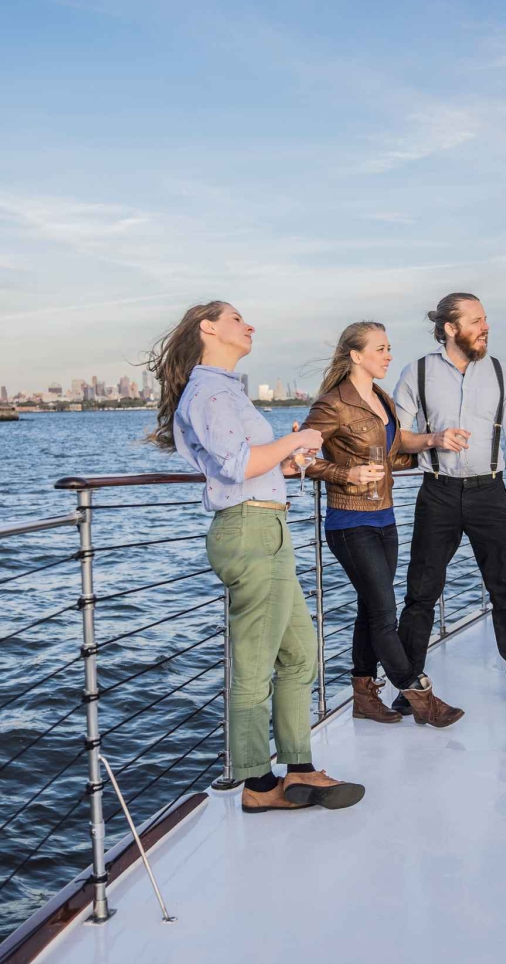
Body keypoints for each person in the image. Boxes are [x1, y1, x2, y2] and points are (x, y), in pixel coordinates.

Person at [148, 301, 365, 813]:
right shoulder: (210, 392)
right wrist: (300, 437)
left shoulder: (225, 389)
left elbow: (247, 465)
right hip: (250, 530)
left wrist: (289, 461)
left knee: (299, 653)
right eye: (236, 318)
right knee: (254, 664)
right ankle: (258, 784)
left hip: (268, 525)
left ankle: (299, 768)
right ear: (208, 328)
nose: (249, 326)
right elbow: (236, 465)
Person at [302, 322, 467, 727]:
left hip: (385, 518)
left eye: (389, 347)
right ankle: (419, 694)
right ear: (356, 355)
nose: (389, 355)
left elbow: (392, 454)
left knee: (369, 608)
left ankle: (364, 696)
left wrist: (434, 444)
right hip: (349, 521)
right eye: (381, 349)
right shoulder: (332, 404)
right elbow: (301, 457)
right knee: (383, 613)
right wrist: (347, 473)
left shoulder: (382, 399)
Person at [391, 293, 506, 708]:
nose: (486, 327)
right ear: (450, 328)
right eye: (476, 320)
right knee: (421, 593)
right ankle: (409, 686)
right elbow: (397, 437)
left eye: (485, 319)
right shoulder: (417, 372)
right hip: (437, 493)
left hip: (490, 493)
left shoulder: (502, 372)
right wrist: (433, 438)